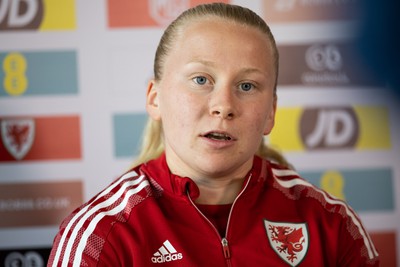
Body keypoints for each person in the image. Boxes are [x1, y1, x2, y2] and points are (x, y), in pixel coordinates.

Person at [47, 3, 379, 266]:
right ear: (154, 98)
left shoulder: (331, 224)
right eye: (201, 80)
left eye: (246, 86)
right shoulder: (101, 236)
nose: (223, 106)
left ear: (271, 114)